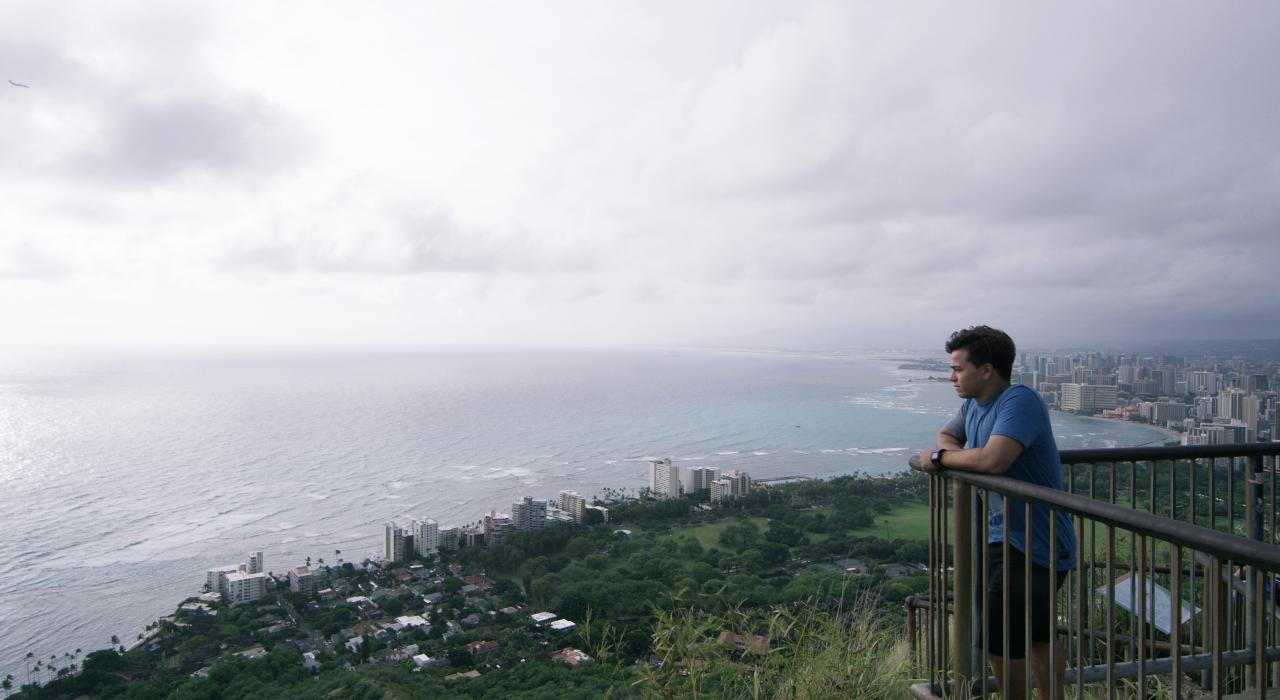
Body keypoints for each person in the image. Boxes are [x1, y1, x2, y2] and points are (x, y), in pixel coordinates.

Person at [909, 325, 1077, 699]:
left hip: (1038, 541)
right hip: (1004, 537)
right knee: (1035, 633)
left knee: (1003, 639)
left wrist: (938, 460)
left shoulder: (1019, 401)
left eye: (958, 368)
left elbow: (994, 459)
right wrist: (949, 454)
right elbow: (947, 435)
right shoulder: (973, 405)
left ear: (987, 370)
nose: (951, 377)